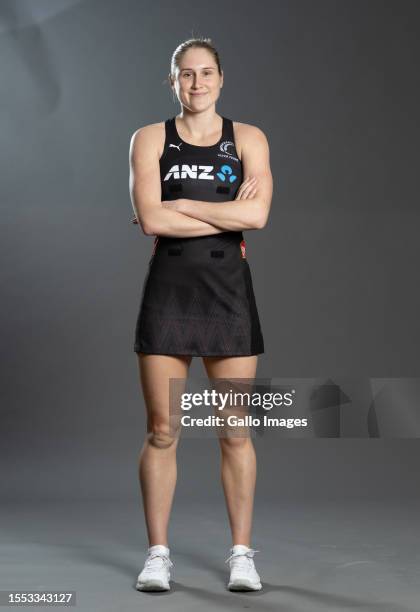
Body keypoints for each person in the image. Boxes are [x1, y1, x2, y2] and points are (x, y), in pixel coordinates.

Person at [129, 37, 273, 592]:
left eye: (206, 73)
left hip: (227, 293)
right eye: (185, 75)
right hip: (169, 290)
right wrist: (223, 211)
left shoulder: (249, 138)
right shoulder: (148, 139)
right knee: (163, 429)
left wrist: (182, 204)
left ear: (220, 78)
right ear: (173, 81)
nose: (196, 84)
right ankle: (157, 554)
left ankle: (242, 554)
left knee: (235, 429)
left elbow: (257, 215)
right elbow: (150, 221)